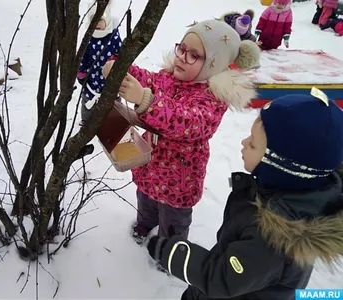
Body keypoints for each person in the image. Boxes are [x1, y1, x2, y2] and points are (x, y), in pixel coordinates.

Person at [146, 89, 343, 299]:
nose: (244, 143)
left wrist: (172, 253)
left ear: (280, 164)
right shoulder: (297, 191)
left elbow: (222, 278)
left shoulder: (273, 237)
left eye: (253, 144)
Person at [102, 19, 260, 247]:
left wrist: (145, 100)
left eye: (193, 55)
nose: (182, 57)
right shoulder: (168, 77)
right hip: (150, 163)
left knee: (174, 218)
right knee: (145, 198)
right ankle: (145, 223)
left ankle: (171, 249)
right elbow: (147, 78)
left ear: (214, 65)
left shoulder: (212, 99)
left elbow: (186, 121)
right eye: (182, 49)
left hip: (180, 177)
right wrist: (119, 67)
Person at [77, 0, 122, 125]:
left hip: (110, 80)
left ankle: (117, 121)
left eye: (100, 20)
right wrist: (81, 73)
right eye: (93, 20)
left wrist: (120, 71)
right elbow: (83, 56)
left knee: (114, 102)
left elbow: (120, 54)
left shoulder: (113, 36)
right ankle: (86, 121)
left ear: (107, 21)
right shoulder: (89, 37)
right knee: (87, 101)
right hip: (92, 80)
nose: (96, 24)